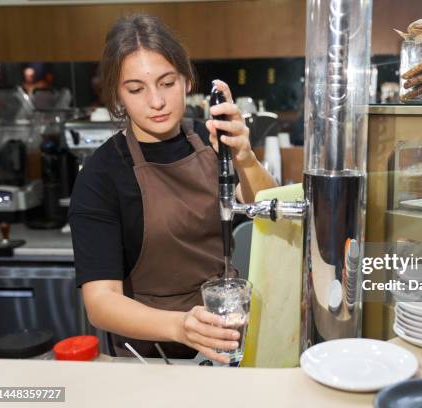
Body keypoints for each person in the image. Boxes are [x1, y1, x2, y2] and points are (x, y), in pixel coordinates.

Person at [69, 14, 277, 362]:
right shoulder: (102, 175)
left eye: (166, 83)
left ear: (187, 79)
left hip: (230, 338)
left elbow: (269, 211)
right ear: (118, 95)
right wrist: (181, 326)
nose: (156, 101)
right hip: (154, 356)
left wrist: (245, 157)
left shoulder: (211, 138)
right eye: (136, 89)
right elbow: (101, 302)